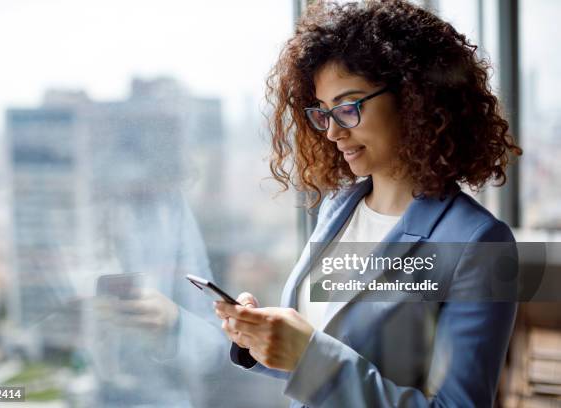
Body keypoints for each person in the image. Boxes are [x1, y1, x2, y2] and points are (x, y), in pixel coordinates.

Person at [214, 0, 523, 407]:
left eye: (347, 108)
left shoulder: (478, 243)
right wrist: (261, 337)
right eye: (323, 114)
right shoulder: (338, 208)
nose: (332, 133)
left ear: (415, 97)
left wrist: (309, 359)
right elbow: (327, 348)